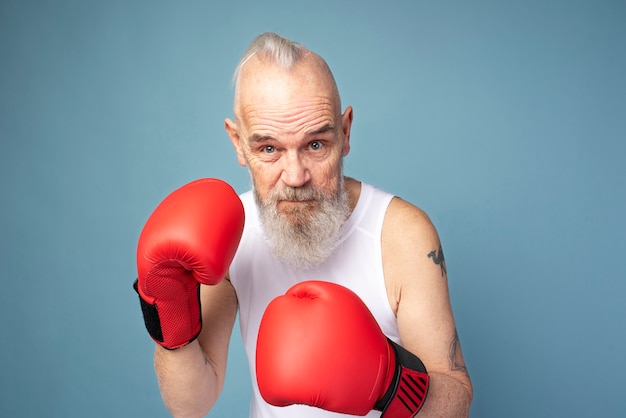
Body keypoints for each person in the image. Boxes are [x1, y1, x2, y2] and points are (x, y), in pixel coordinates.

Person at [135, 32, 473, 417]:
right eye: (269, 149)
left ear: (345, 132)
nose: (295, 176)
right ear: (237, 142)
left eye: (315, 145)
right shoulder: (231, 235)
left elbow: (457, 400)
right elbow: (191, 405)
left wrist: (390, 382)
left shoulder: (402, 234)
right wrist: (170, 315)